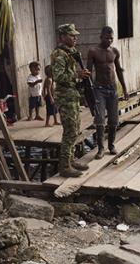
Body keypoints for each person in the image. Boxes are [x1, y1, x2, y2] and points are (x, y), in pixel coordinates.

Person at [51, 24, 90, 177]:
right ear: (62, 37)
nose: (75, 38)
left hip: (72, 95)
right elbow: (58, 77)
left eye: (75, 35)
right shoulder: (59, 54)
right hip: (65, 97)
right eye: (71, 35)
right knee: (70, 131)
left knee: (75, 129)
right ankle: (64, 166)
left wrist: (81, 76)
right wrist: (77, 75)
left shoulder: (70, 52)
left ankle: (71, 159)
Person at [87, 26, 128, 160]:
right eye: (106, 38)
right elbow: (88, 72)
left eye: (111, 38)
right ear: (101, 37)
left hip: (112, 88)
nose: (109, 41)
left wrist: (125, 89)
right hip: (99, 89)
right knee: (99, 119)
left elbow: (119, 70)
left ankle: (111, 145)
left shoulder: (114, 51)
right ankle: (100, 148)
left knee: (113, 119)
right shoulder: (93, 51)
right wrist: (89, 92)